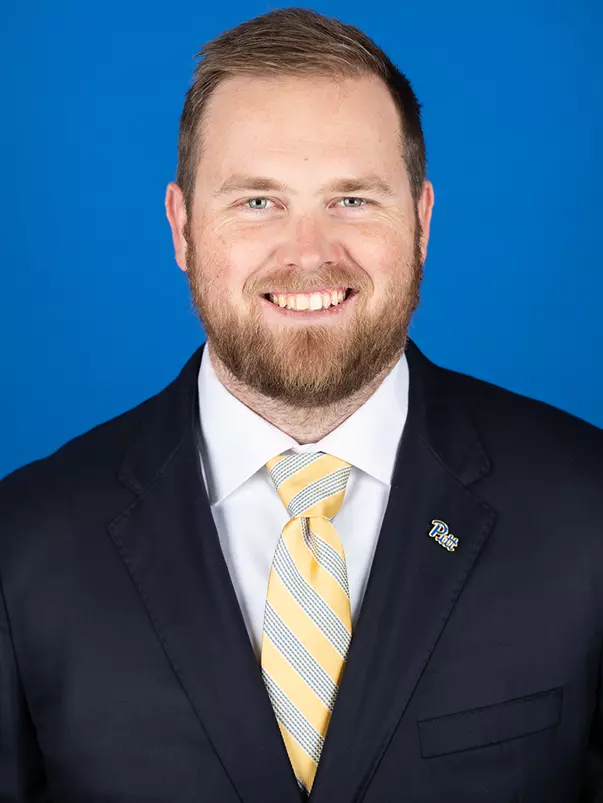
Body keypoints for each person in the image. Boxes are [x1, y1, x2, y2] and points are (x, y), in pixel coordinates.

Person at [0, 6, 601, 802]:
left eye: (352, 200)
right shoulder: (23, 544)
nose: (310, 255)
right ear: (182, 228)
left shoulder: (586, 507)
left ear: (420, 222)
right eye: (257, 202)